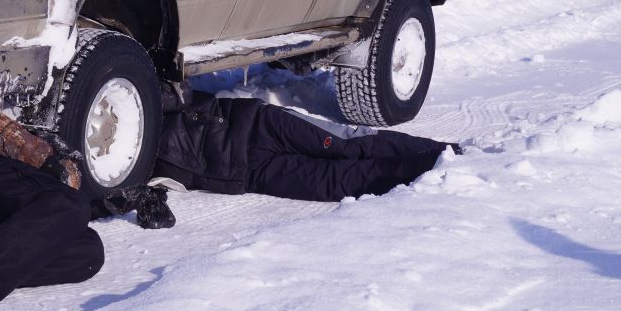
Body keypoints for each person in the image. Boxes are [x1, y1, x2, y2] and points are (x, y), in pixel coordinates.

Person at [0, 102, 174, 311]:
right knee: (72, 205)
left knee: (89, 251)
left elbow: (59, 214)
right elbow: (65, 193)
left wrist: (122, 199)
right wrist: (55, 158)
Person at [153, 84, 459, 202]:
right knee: (335, 183)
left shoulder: (141, 102)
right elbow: (127, 191)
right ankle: (423, 170)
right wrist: (144, 201)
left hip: (257, 126)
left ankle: (443, 151)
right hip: (248, 173)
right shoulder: (135, 167)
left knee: (347, 144)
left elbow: (176, 91)